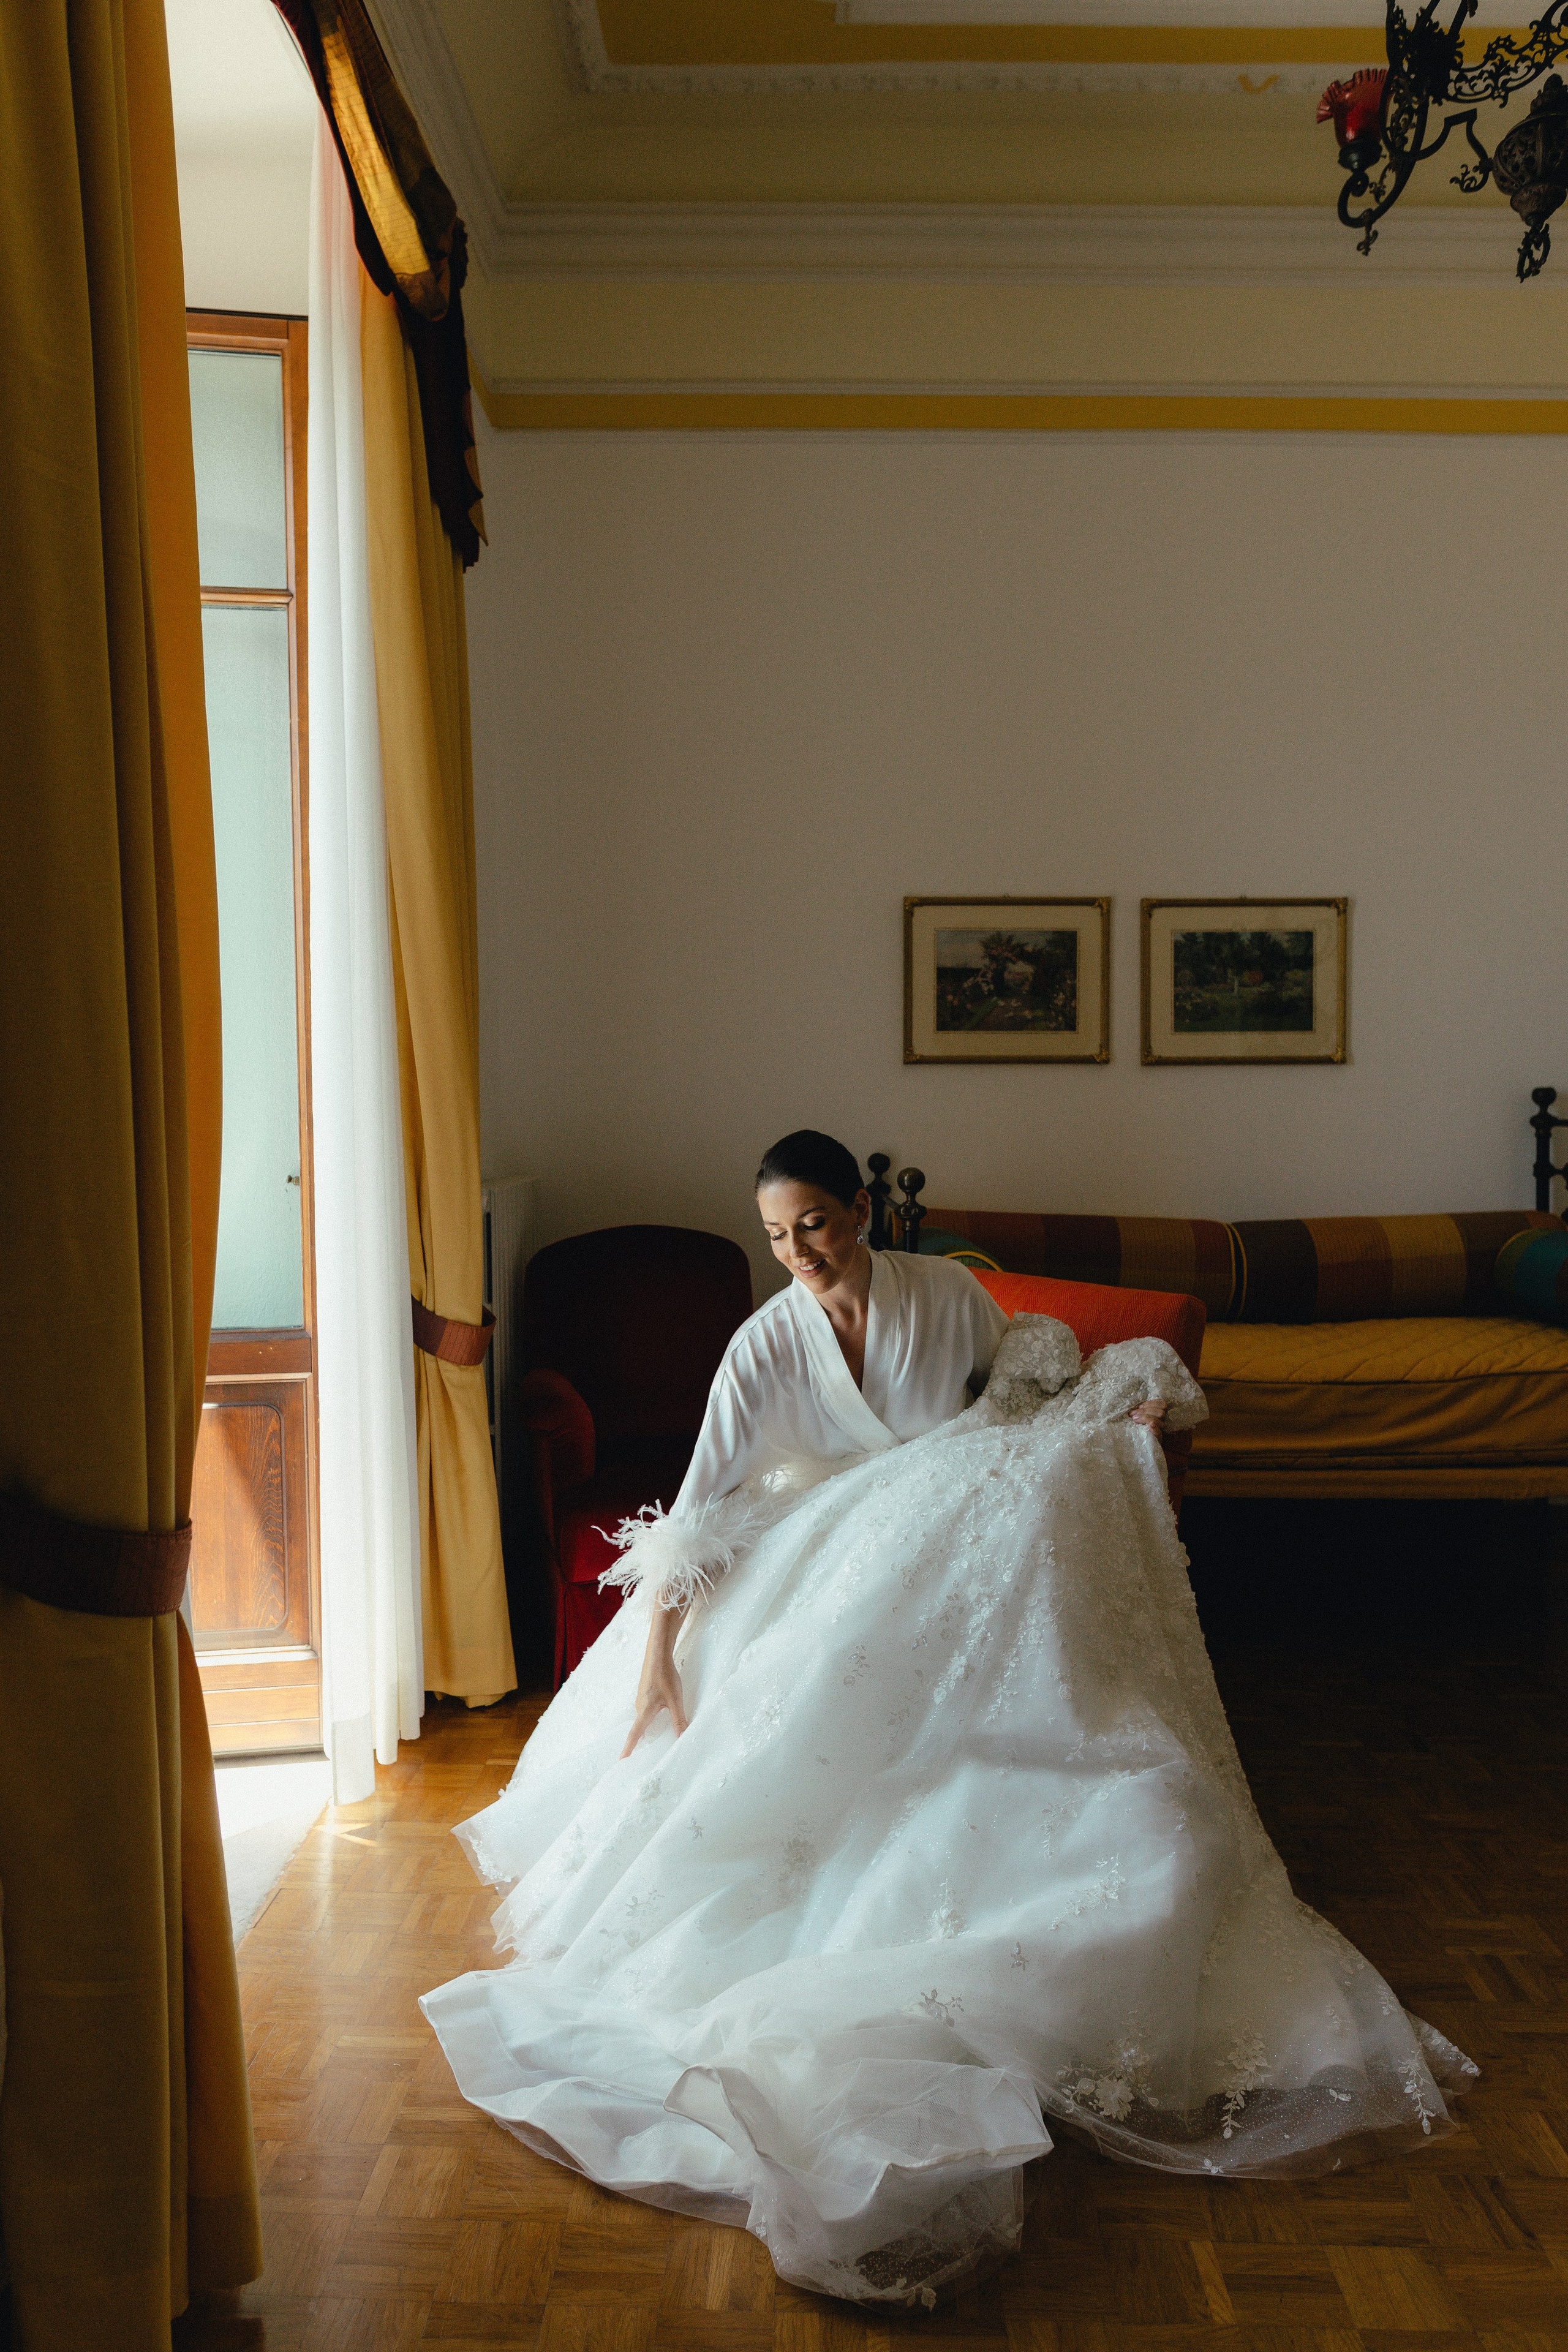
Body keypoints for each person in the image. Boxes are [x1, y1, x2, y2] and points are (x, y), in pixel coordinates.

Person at [421, 1132, 1475, 2309]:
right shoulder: (764, 1343)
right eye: (777, 1236)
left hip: (941, 1543)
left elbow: (1021, 1410)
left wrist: (1103, 1427)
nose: (799, 1254)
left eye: (815, 1224)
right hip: (822, 1549)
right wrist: (660, 1661)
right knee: (798, 1705)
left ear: (860, 1210)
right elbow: (699, 1507)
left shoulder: (948, 1296)